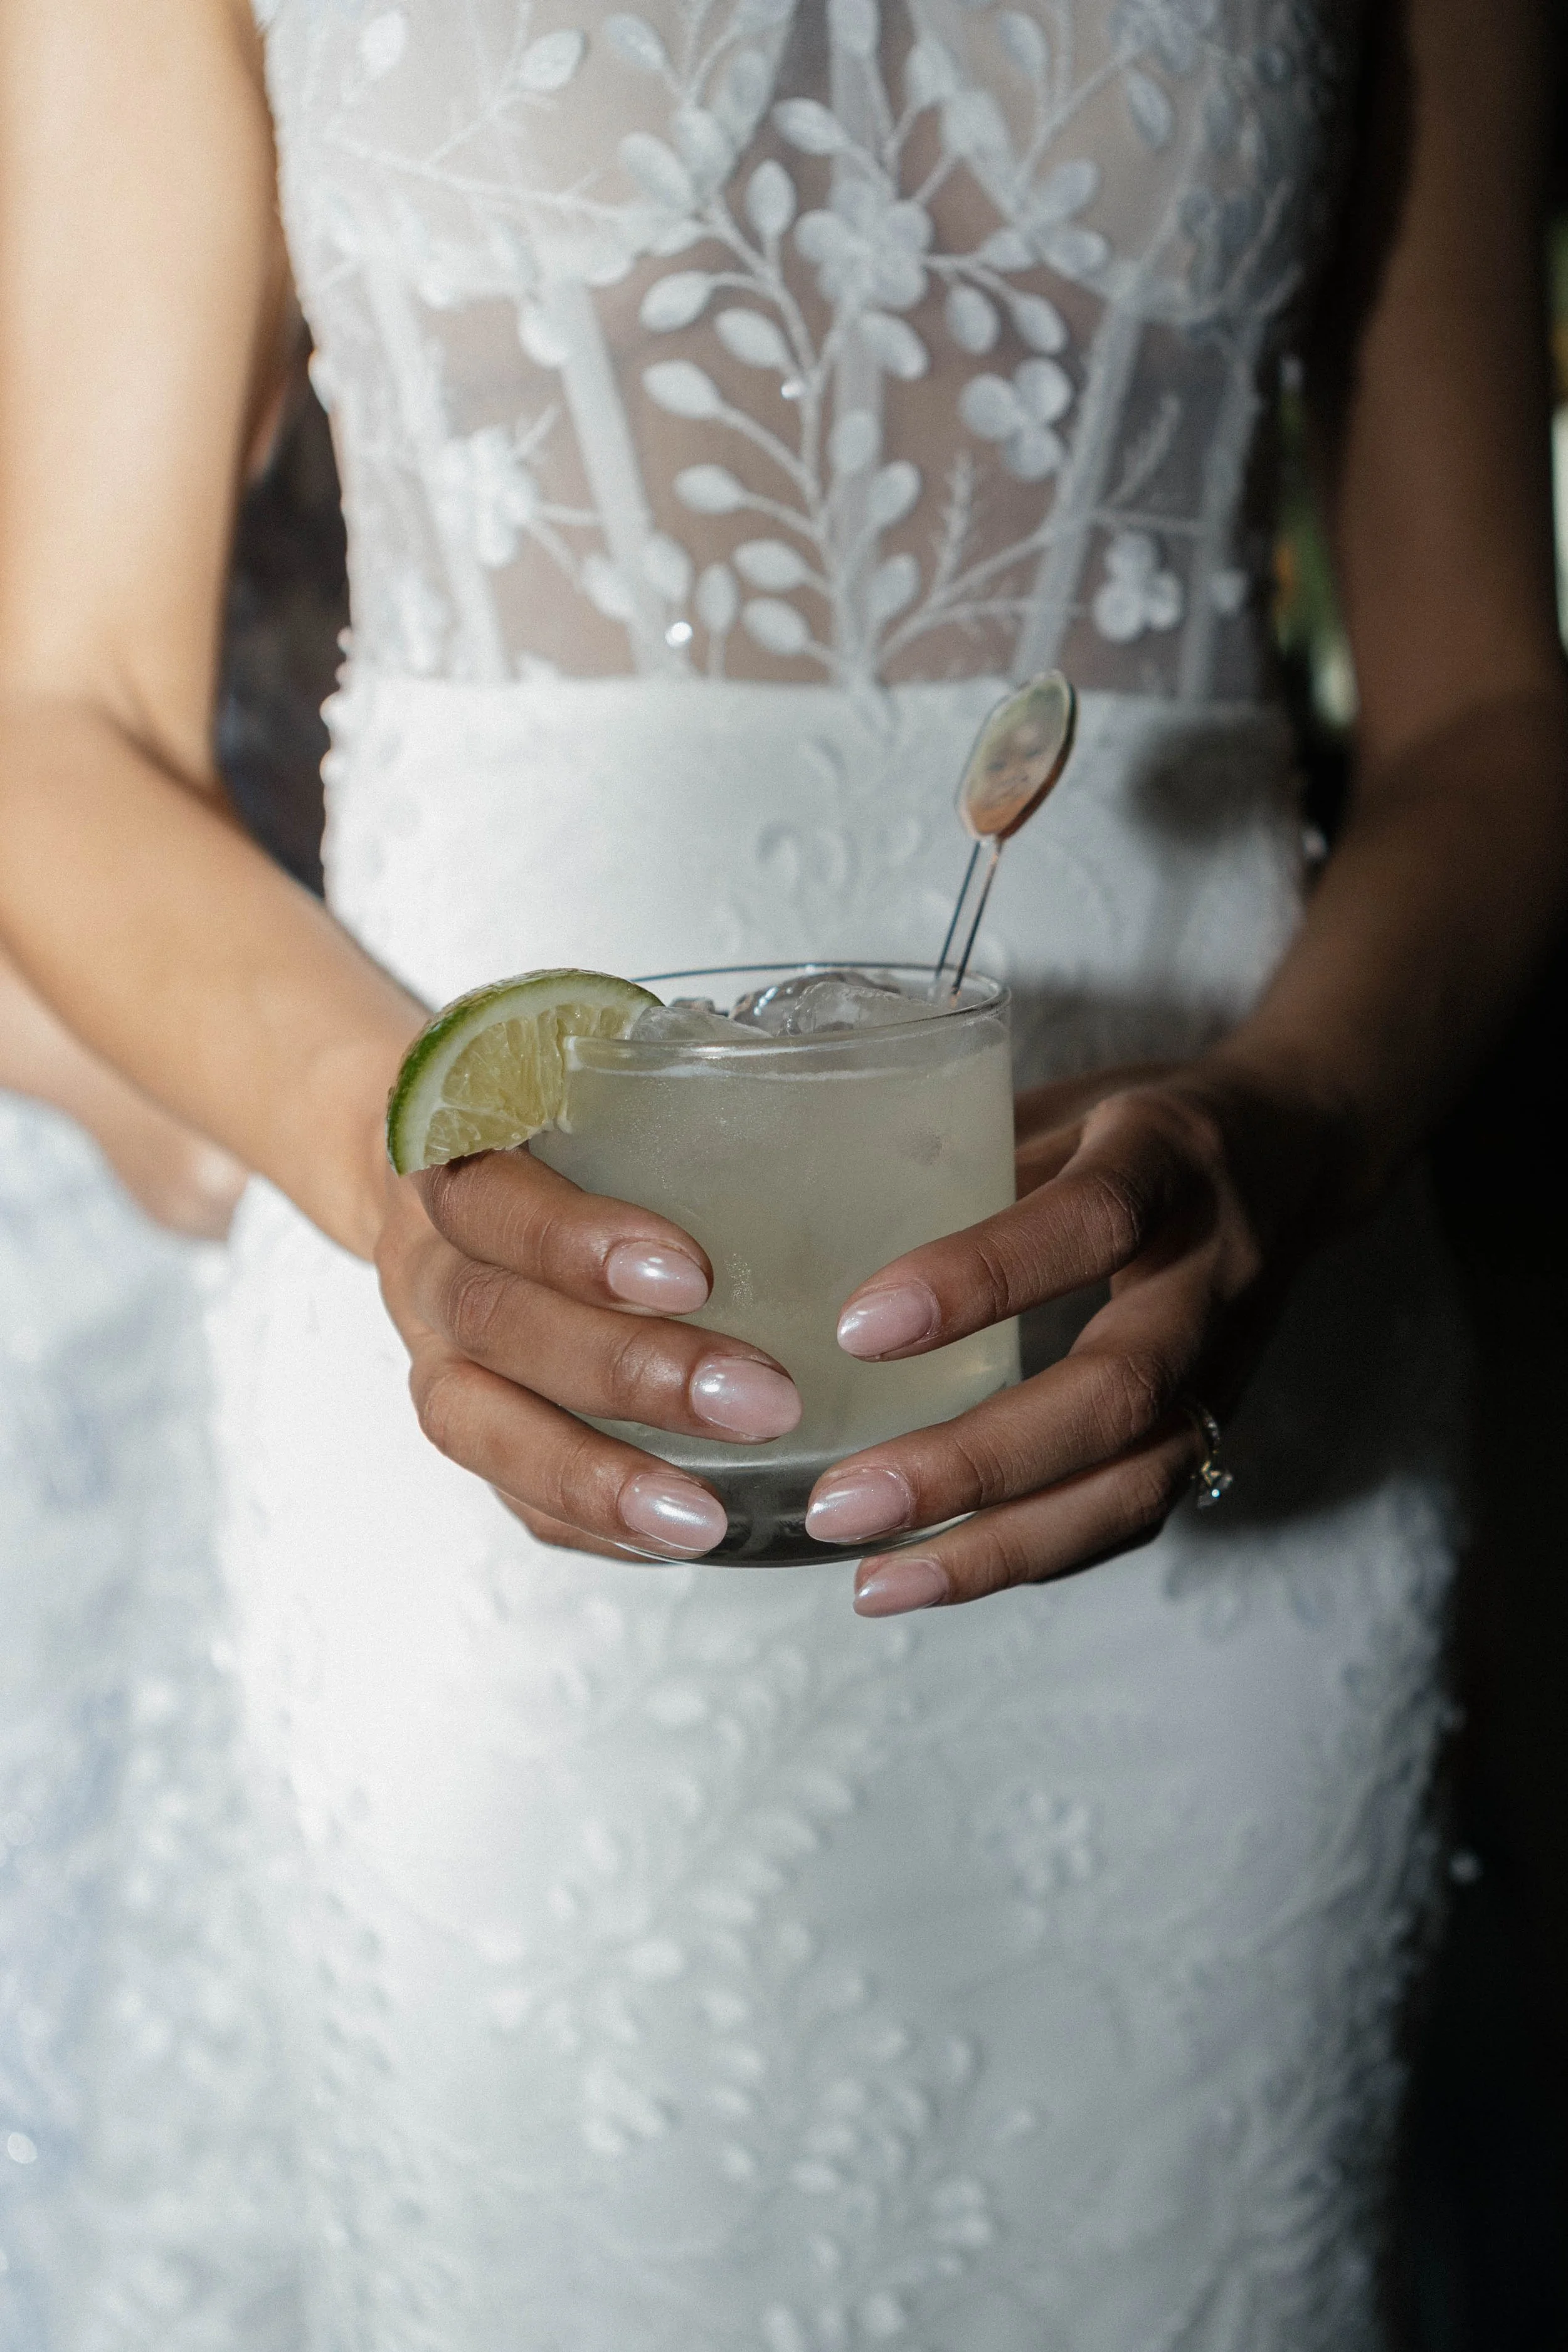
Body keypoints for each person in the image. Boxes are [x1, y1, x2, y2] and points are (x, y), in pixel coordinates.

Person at [1, 0, 1564, 2341]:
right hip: (489, 1439)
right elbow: (64, 717)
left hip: (1224, 1401)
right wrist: (399, 1176)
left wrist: (1290, 1139)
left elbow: (1483, 713)